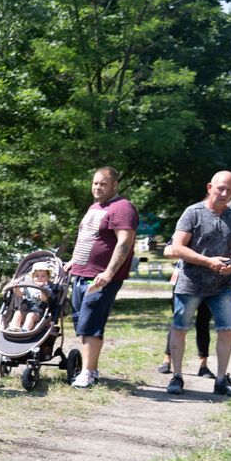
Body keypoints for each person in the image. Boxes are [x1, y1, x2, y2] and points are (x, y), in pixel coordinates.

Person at [164, 170, 231, 397]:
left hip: (222, 285)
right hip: (190, 284)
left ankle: (221, 380)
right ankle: (177, 376)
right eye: (220, 188)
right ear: (210, 187)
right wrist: (209, 262)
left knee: (226, 331)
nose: (224, 192)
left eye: (229, 189)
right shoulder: (193, 213)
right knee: (180, 329)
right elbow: (177, 247)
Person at [64, 166, 138, 389]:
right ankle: (90, 368)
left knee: (91, 323)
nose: (97, 187)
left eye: (103, 184)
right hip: (81, 273)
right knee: (82, 321)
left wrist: (108, 273)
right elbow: (89, 239)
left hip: (101, 279)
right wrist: (73, 262)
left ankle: (88, 373)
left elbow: (125, 243)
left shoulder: (123, 208)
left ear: (115, 185)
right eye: (95, 183)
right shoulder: (95, 207)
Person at [158, 260, 212, 378]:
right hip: (184, 281)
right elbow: (171, 250)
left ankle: (203, 365)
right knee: (178, 323)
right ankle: (167, 360)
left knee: (203, 322)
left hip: (210, 282)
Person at [5, 264, 54, 332]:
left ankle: (25, 329)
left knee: (30, 315)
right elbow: (19, 294)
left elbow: (43, 299)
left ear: (47, 278)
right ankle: (13, 327)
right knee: (17, 313)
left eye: (43, 276)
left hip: (37, 312)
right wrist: (16, 287)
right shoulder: (29, 286)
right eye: (37, 276)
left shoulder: (46, 288)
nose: (39, 278)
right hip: (24, 309)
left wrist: (42, 289)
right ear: (33, 277)